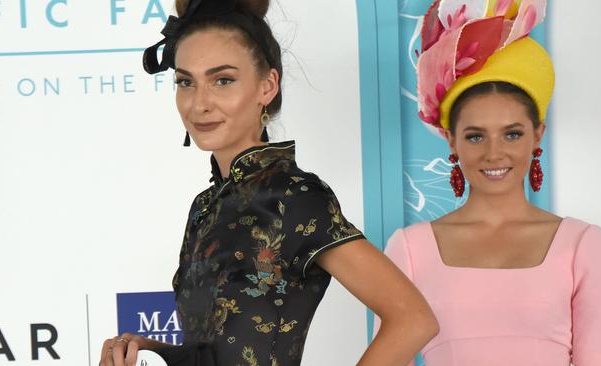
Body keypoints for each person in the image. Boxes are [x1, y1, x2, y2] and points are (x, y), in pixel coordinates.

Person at [99, 0, 439, 365]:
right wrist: (155, 350)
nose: (199, 104)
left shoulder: (293, 195)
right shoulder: (204, 207)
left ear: (267, 85)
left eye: (223, 80)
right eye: (186, 82)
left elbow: (413, 319)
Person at [376, 0, 601, 365]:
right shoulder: (409, 249)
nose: (494, 153)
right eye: (475, 136)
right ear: (451, 139)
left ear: (537, 135)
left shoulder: (582, 245)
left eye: (512, 134)